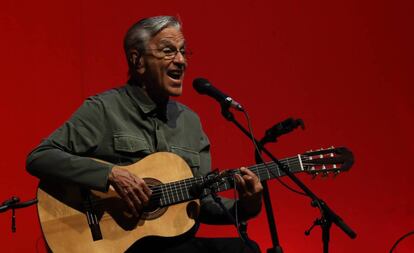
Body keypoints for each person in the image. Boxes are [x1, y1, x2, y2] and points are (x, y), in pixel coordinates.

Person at [27, 16, 263, 252]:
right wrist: (110, 174)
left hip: (172, 244)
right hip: (115, 244)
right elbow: (40, 157)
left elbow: (203, 202)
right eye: (169, 51)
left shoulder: (190, 122)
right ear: (137, 61)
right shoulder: (104, 109)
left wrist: (247, 206)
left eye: (183, 51)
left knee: (246, 249)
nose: (181, 61)